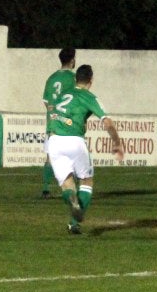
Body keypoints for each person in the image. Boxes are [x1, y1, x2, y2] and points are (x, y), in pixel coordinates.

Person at [45, 64, 125, 234]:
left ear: (75, 79)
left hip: (54, 141)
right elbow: (107, 122)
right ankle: (74, 223)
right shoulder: (88, 96)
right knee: (86, 181)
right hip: (74, 140)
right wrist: (117, 142)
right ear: (91, 80)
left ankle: (72, 201)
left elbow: (50, 109)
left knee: (67, 184)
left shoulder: (62, 95)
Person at [41, 48, 77, 198]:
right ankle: (74, 189)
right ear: (72, 60)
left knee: (50, 157)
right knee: (73, 155)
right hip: (68, 123)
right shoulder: (74, 79)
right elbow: (76, 99)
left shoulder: (51, 78)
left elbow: (46, 102)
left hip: (53, 123)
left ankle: (45, 189)